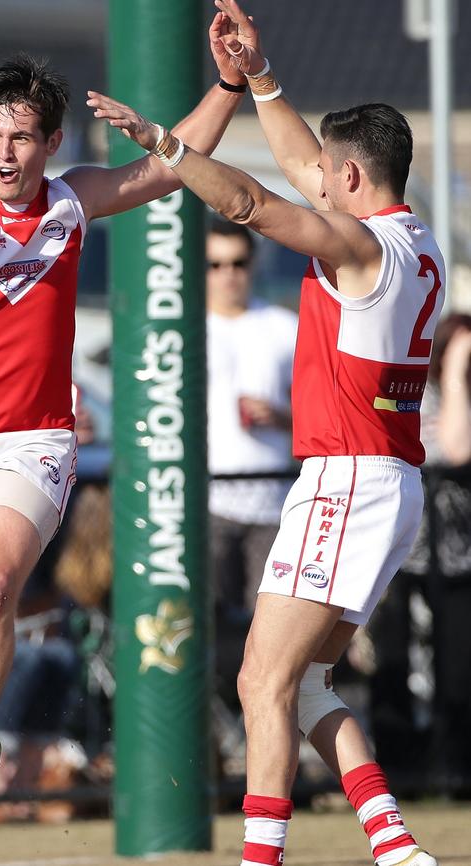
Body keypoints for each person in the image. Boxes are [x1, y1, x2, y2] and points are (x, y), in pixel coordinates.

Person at [0, 17, 246, 845]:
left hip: (32, 443)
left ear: (51, 140)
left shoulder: (73, 198)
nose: (4, 152)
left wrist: (233, 84)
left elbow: (170, 170)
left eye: (21, 137)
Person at [88, 2, 445, 864]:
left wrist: (166, 146)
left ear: (350, 180)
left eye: (324, 170)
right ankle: (395, 848)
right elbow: (291, 162)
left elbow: (249, 199)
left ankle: (260, 860)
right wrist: (262, 77)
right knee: (310, 683)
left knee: (262, 680)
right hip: (387, 481)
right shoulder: (414, 237)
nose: (309, 175)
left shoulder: (357, 248)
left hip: (347, 479)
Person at [369, 313, 471, 792]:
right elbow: (445, 450)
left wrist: (457, 379)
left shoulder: (458, 398)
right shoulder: (415, 391)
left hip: (457, 558)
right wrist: (449, 373)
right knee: (395, 660)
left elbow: (457, 445)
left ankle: (454, 768)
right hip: (401, 550)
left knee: (457, 665)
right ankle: (400, 770)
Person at [205, 217, 297, 716]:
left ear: (253, 265)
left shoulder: (284, 328)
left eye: (237, 263)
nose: (227, 275)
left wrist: (281, 416)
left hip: (272, 503)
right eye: (214, 265)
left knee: (272, 634)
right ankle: (223, 743)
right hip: (209, 501)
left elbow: (323, 415)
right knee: (210, 631)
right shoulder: (182, 327)